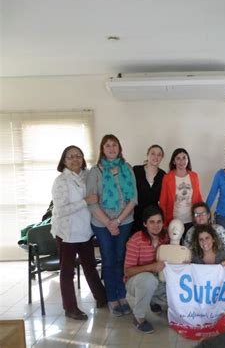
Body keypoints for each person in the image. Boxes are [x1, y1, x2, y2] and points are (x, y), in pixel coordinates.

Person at [51, 145, 107, 320]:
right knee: (67, 272)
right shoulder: (60, 181)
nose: (75, 159)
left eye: (78, 156)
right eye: (70, 156)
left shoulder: (87, 175)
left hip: (85, 231)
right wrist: (85, 201)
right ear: (64, 160)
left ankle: (102, 298)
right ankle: (70, 308)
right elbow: (61, 210)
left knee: (90, 267)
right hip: (67, 233)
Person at [86, 134, 137, 316]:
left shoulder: (127, 169)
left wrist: (118, 221)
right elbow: (91, 202)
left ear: (119, 148)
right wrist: (108, 222)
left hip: (124, 221)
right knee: (108, 259)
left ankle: (122, 295)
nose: (111, 148)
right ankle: (111, 298)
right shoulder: (95, 172)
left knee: (121, 258)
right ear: (102, 149)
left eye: (114, 145)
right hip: (101, 224)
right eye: (107, 145)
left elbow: (133, 199)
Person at [124, 205, 169, 333]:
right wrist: (151, 267)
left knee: (174, 291)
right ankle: (138, 318)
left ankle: (153, 301)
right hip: (136, 281)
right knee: (148, 280)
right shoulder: (136, 240)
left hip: (158, 280)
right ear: (145, 224)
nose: (156, 225)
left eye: (159, 221)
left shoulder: (166, 238)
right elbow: (127, 271)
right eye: (152, 222)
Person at [183, 202, 225, 269]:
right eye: (196, 214)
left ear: (208, 215)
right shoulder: (190, 232)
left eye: (203, 213)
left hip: (222, 265)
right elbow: (186, 253)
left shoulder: (219, 229)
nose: (200, 217)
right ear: (193, 218)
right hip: (198, 267)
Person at [160, 148, 203, 232]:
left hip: (192, 220)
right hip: (174, 221)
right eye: (178, 158)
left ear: (188, 160)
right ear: (174, 161)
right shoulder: (167, 178)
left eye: (184, 158)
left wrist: (201, 217)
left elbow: (198, 198)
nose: (181, 161)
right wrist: (164, 223)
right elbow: (163, 202)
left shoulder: (194, 176)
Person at [133, 144, 166, 233]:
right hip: (136, 217)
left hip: (153, 220)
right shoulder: (136, 170)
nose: (156, 157)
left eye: (159, 155)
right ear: (147, 155)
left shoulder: (163, 176)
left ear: (162, 158)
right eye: (153, 153)